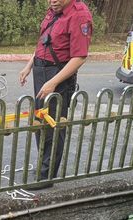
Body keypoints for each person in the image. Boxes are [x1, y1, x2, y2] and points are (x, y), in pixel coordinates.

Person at [19, 0, 93, 184]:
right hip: (41, 71)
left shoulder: (79, 15)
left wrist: (53, 82)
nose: (53, 1)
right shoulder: (54, 9)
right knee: (40, 120)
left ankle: (46, 175)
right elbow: (44, 42)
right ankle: (42, 167)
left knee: (54, 124)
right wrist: (29, 66)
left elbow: (79, 57)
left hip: (57, 75)